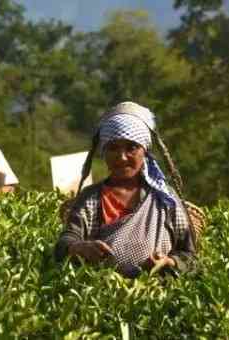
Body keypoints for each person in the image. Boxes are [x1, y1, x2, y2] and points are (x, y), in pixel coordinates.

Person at [54, 102, 195, 278]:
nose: (121, 157)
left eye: (131, 148)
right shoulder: (91, 198)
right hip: (102, 296)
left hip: (159, 295)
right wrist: (79, 248)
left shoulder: (165, 198)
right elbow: (64, 243)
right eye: (113, 148)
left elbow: (191, 258)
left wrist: (169, 262)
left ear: (145, 152)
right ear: (104, 152)